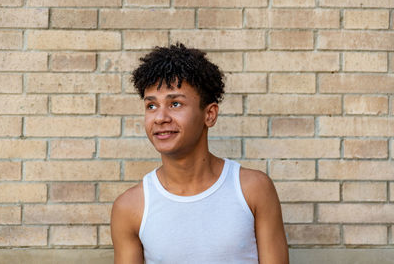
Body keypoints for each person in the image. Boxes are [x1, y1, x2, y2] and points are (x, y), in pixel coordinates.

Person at [111, 43, 289, 264]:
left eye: (175, 104)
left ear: (210, 114)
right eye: (151, 106)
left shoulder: (253, 189)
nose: (160, 118)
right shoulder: (130, 207)